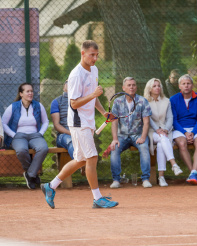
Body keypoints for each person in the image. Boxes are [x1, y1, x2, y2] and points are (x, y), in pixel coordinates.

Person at [41, 40, 118, 209]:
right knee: (92, 157)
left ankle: (50, 186)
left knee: (81, 160)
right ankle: (97, 198)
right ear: (83, 54)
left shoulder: (95, 69)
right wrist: (93, 95)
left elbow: (93, 96)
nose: (95, 58)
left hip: (88, 121)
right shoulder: (76, 75)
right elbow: (74, 103)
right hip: (78, 122)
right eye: (92, 55)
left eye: (97, 55)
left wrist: (104, 112)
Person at [2, 83, 49, 189]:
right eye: (27, 91)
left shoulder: (38, 106)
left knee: (43, 148)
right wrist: (13, 135)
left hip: (35, 135)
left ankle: (30, 174)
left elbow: (45, 121)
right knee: (21, 150)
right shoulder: (13, 107)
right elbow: (3, 123)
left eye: (31, 91)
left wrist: (40, 133)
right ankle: (33, 174)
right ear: (21, 94)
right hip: (19, 136)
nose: (30, 93)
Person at [110, 77, 153, 189]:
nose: (131, 87)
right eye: (129, 85)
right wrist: (115, 138)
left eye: (133, 85)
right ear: (123, 88)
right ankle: (116, 180)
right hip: (122, 136)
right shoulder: (117, 102)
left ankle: (145, 179)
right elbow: (114, 122)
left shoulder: (143, 101)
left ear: (136, 87)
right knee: (114, 148)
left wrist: (143, 137)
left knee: (144, 148)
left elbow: (146, 121)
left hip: (138, 135)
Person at [144, 78, 183, 187]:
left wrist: (165, 129)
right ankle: (174, 164)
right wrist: (157, 129)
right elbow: (148, 118)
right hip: (152, 131)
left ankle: (161, 177)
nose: (157, 88)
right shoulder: (145, 101)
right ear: (149, 89)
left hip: (166, 131)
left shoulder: (167, 101)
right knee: (162, 138)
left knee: (162, 143)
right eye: (154, 86)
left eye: (159, 85)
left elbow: (170, 117)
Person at [170, 74, 197, 184]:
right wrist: (185, 132)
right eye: (183, 84)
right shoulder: (173, 99)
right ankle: (194, 173)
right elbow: (174, 120)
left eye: (188, 83)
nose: (186, 86)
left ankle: (193, 173)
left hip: (196, 128)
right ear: (179, 86)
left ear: (192, 85)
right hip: (180, 129)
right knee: (181, 143)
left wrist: (193, 132)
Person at [50, 80, 74, 160]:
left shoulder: (82, 100)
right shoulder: (56, 102)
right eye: (67, 81)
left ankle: (84, 166)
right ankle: (82, 165)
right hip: (64, 135)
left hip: (80, 132)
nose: (70, 82)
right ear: (64, 87)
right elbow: (56, 125)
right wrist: (71, 133)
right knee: (72, 142)